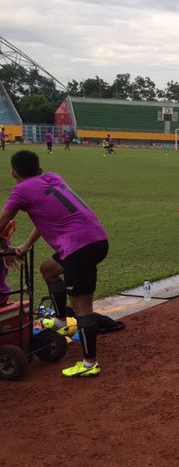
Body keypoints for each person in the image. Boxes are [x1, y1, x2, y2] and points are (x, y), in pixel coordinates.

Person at [0, 150, 109, 377]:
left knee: (83, 307)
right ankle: (60, 321)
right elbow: (46, 216)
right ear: (39, 170)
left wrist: (4, 248)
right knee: (48, 269)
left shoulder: (20, 190)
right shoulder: (53, 178)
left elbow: (3, 220)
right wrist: (27, 244)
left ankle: (90, 363)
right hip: (96, 239)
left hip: (79, 247)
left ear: (13, 173)